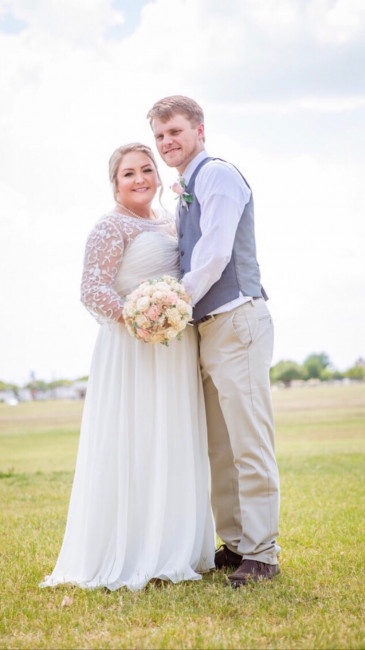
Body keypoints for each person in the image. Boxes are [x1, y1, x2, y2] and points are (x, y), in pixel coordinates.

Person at [40, 143, 215, 592]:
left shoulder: (170, 222)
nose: (139, 179)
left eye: (146, 170)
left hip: (174, 345)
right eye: (128, 174)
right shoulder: (109, 226)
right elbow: (92, 289)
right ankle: (134, 548)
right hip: (131, 347)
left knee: (173, 436)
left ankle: (176, 543)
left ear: (157, 175)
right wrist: (140, 318)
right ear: (115, 183)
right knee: (135, 439)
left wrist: (168, 317)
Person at [147, 96, 281, 587]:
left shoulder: (219, 175)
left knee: (249, 441)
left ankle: (263, 553)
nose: (167, 143)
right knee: (220, 447)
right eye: (160, 136)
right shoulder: (188, 186)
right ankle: (238, 543)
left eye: (175, 132)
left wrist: (171, 304)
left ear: (199, 130)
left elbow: (214, 254)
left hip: (236, 319)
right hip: (206, 327)